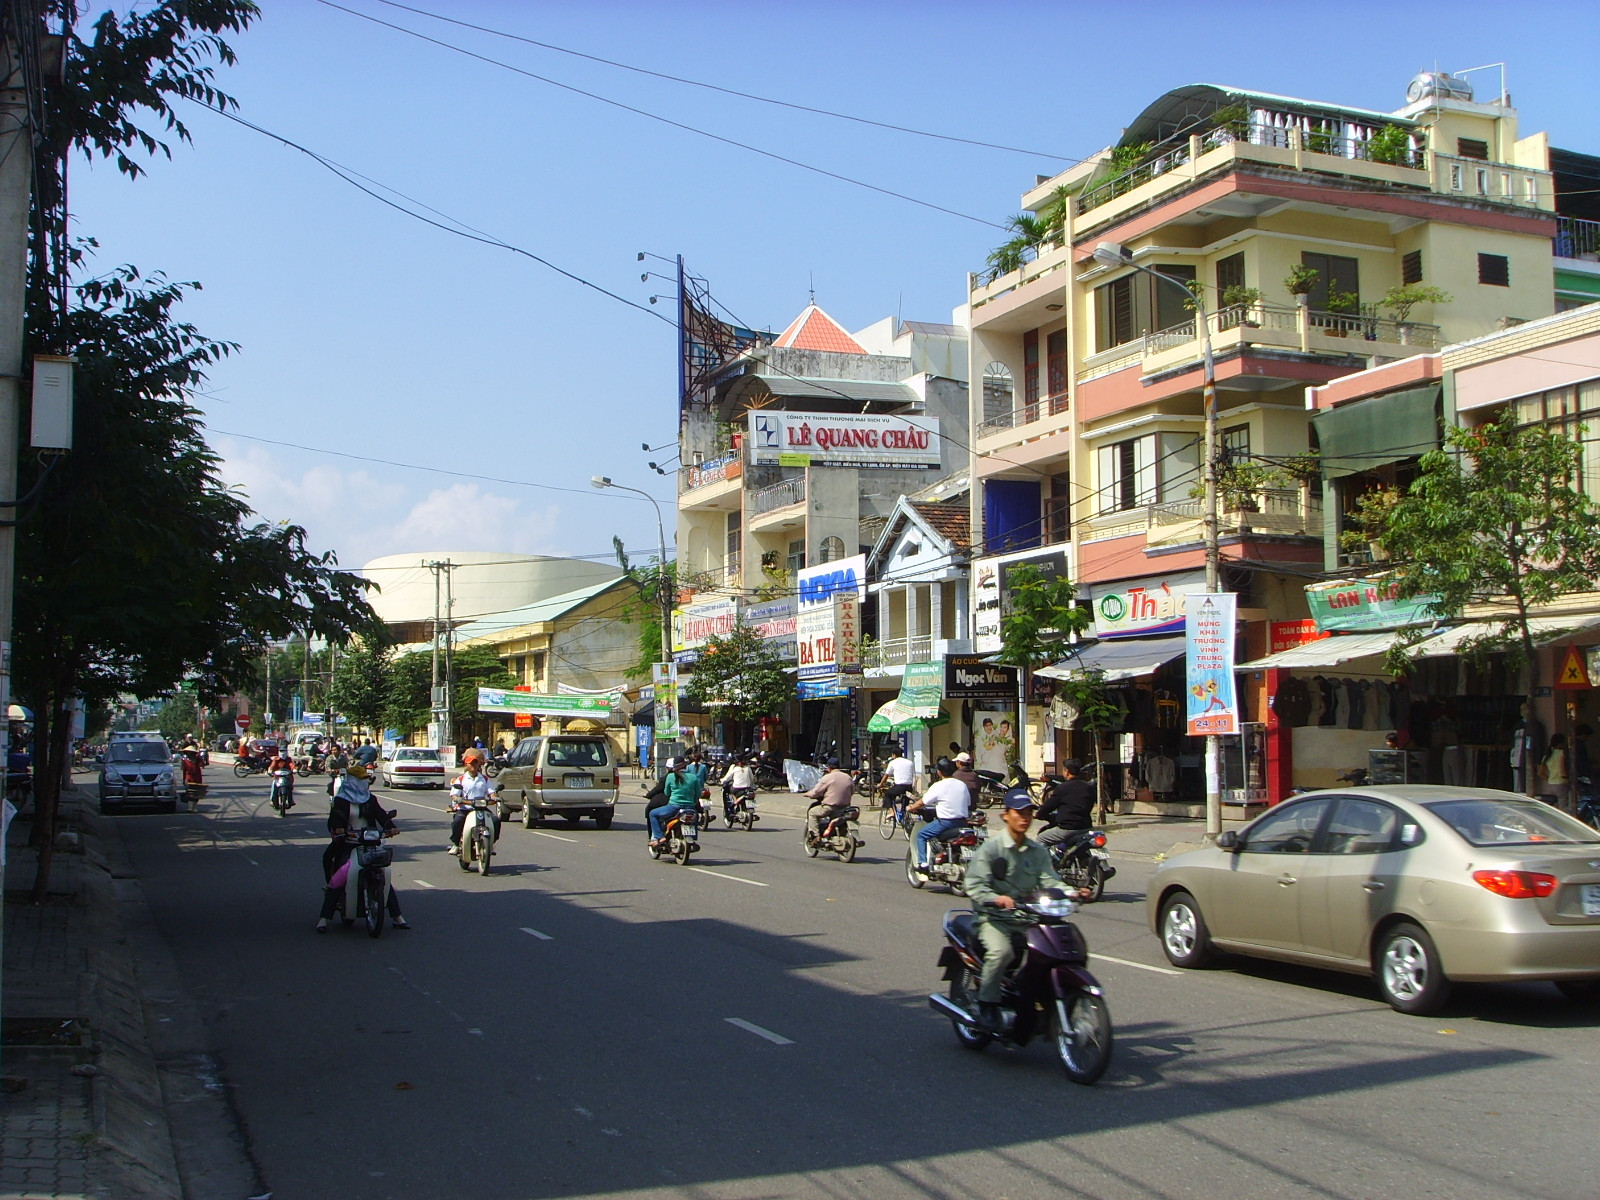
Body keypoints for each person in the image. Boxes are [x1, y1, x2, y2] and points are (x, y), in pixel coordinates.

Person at [961, 789, 1064, 1031]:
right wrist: (996, 899)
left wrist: (1071, 892)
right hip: (994, 919)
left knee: (1052, 952)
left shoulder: (1037, 851)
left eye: (1028, 812)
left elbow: (1051, 880)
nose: (1024, 818)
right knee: (1001, 952)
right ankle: (986, 1003)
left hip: (1028, 918)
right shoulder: (992, 849)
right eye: (1019, 812)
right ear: (1005, 815)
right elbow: (973, 884)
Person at [316, 764, 408, 932]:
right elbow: (335, 819)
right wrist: (340, 830)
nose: (366, 783)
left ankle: (397, 916)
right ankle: (324, 918)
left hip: (369, 843)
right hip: (347, 843)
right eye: (362, 780)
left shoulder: (369, 798)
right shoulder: (341, 800)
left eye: (366, 779)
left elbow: (381, 815)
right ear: (353, 781)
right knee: (339, 873)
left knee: (383, 876)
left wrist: (391, 827)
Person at [907, 757, 972, 873]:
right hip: (963, 822)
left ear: (939, 772)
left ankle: (923, 864)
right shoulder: (962, 785)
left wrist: (911, 808)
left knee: (921, 835)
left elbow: (922, 802)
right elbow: (968, 803)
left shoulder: (938, 785)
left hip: (946, 823)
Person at [446, 750, 501, 854]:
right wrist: (457, 798)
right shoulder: (461, 779)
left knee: (495, 821)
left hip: (481, 808)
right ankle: (456, 844)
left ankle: (490, 844)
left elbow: (491, 792)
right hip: (465, 808)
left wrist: (494, 797)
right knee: (457, 822)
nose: (473, 766)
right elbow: (454, 794)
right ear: (466, 765)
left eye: (475, 763)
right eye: (471, 763)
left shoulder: (484, 778)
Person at [1035, 758, 1095, 849]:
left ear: (1066, 771)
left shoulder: (1062, 788)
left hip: (1068, 829)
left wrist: (1038, 814)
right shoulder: (1088, 787)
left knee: (1041, 838)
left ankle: (1046, 863)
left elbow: (1049, 806)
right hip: (1086, 827)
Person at [648, 758, 701, 848]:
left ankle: (659, 837)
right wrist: (693, 802)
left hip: (673, 806)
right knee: (694, 819)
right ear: (685, 765)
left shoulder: (670, 776)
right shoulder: (693, 777)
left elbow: (667, 792)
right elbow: (698, 793)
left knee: (653, 814)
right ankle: (693, 837)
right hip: (690, 807)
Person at [804, 757, 855, 843]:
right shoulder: (848, 777)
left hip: (830, 807)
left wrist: (807, 794)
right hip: (845, 807)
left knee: (812, 813)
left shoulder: (827, 777)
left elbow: (816, 792)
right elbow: (852, 791)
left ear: (829, 767)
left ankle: (816, 837)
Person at [879, 749, 917, 822]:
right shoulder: (910, 762)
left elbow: (886, 775)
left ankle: (892, 812)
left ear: (894, 755)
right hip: (909, 787)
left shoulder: (893, 762)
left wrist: (880, 784)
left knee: (887, 794)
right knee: (905, 801)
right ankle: (904, 815)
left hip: (899, 787)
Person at [1539, 733, 1571, 811]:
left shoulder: (1547, 755)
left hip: (1551, 784)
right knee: (1563, 809)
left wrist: (1550, 779)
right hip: (1562, 782)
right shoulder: (1563, 753)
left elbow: (1540, 773)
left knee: (1552, 808)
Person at [721, 754, 756, 821]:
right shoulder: (748, 767)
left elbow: (728, 777)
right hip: (747, 789)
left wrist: (721, 781)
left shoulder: (734, 767)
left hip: (736, 789)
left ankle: (732, 806)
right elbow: (752, 778)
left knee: (730, 792)